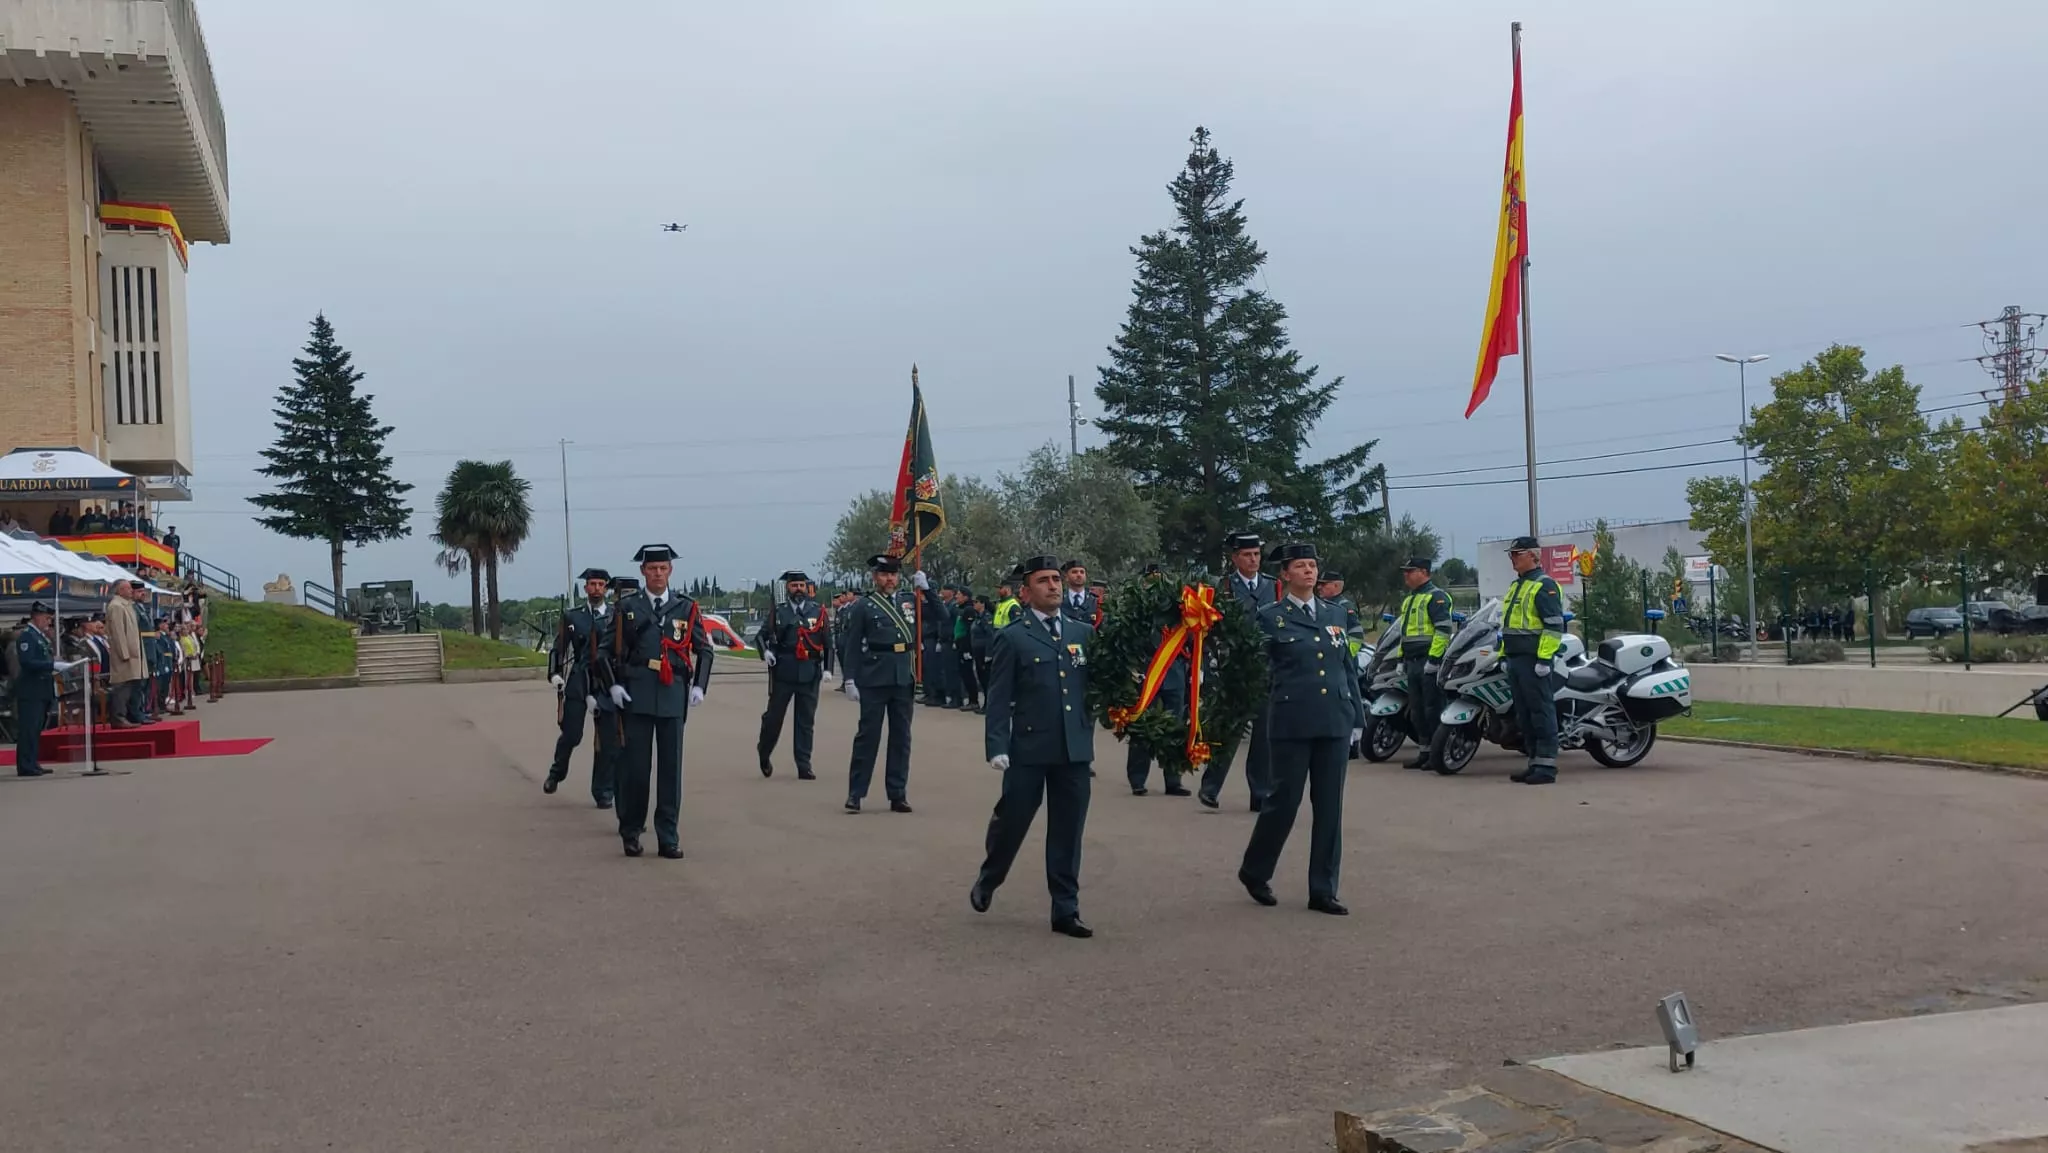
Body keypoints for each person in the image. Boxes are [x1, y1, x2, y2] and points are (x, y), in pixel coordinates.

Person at [972, 554, 1099, 938]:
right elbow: (998, 697)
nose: (1054, 586)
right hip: (1028, 746)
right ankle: (990, 876)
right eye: (1044, 581)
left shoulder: (1082, 633)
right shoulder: (1013, 635)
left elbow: (1093, 688)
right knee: (1013, 821)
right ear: (1026, 592)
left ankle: (1065, 909)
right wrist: (996, 744)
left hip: (1073, 749)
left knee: (1067, 831)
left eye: (1057, 579)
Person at [1237, 542, 1363, 915]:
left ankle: (1323, 889)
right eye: (1301, 566)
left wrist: (1357, 717)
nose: (1309, 571)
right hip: (1292, 720)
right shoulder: (1269, 617)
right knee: (1283, 802)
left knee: (1329, 808)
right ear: (1285, 575)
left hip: (1334, 720)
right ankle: (1255, 870)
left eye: (1312, 565)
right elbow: (1254, 669)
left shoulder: (1336, 614)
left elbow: (1346, 669)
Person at [600, 545, 714, 859]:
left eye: (663, 568)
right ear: (643, 572)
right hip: (636, 694)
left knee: (670, 770)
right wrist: (613, 686)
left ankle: (668, 836)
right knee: (635, 770)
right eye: (652, 569)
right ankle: (631, 831)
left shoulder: (685, 607)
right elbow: (603, 652)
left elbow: (704, 650)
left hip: (673, 694)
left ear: (670, 571)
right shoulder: (627, 608)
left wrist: (700, 686)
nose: (658, 574)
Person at [838, 554, 918, 813]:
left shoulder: (909, 601)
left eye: (893, 574)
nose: (889, 579)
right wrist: (849, 678)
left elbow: (938, 616)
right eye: (884, 575)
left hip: (902, 677)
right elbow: (852, 644)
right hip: (874, 678)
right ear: (875, 577)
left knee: (901, 739)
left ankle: (897, 794)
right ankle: (856, 793)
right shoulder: (864, 606)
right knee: (868, 737)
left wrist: (927, 590)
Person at [1205, 530, 1276, 811]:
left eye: (1257, 554)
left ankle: (1260, 793)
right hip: (1234, 668)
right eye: (1247, 555)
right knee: (1229, 730)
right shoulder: (1223, 587)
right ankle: (1210, 788)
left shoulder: (1274, 586)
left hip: (1266, 668)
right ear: (1235, 558)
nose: (1253, 559)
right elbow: (1210, 626)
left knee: (1263, 736)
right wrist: (1218, 656)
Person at [545, 568, 617, 808]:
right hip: (579, 678)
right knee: (572, 734)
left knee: (607, 740)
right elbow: (559, 647)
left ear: (606, 588)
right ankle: (557, 772)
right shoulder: (573, 616)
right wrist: (554, 673)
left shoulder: (616, 615)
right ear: (585, 588)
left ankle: (603, 791)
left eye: (600, 584)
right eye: (592, 584)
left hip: (606, 679)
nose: (596, 588)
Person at [757, 568, 834, 780]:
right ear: (787, 588)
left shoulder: (817, 611)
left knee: (805, 720)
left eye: (801, 585)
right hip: (784, 671)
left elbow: (828, 643)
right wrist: (766, 652)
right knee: (774, 719)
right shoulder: (778, 612)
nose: (798, 589)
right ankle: (764, 752)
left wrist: (828, 669)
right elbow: (762, 636)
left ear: (807, 588)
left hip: (809, 671)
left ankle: (804, 764)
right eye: (794, 585)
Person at [1500, 536, 1565, 785]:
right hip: (1517, 659)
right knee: (1524, 714)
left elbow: (1553, 627)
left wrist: (1544, 659)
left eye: (1518, 554)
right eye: (1511, 554)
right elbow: (1508, 627)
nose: (1513, 559)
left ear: (1534, 556)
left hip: (1533, 660)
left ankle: (1547, 766)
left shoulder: (1544, 585)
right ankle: (1534, 761)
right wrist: (1504, 655)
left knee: (1541, 711)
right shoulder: (1517, 586)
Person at [1394, 558, 1453, 770]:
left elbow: (1443, 630)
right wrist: (1401, 659)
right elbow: (1404, 633)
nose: (1406, 575)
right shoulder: (1410, 599)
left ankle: (1438, 753)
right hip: (1412, 661)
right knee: (1417, 710)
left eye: (1410, 571)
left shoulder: (1436, 597)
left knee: (1433, 708)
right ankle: (1425, 752)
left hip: (1428, 661)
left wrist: (1434, 659)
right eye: (1405, 571)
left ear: (1424, 572)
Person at [11, 602, 58, 776]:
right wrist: (52, 665)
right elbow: (27, 662)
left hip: (41, 689)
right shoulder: (27, 636)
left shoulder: (39, 636)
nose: (49, 622)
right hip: (31, 690)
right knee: (29, 729)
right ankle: (25, 765)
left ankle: (32, 761)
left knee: (36, 729)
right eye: (46, 618)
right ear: (37, 616)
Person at [105, 580, 145, 729]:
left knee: (129, 686)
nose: (130, 591)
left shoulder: (127, 605)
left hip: (132, 653)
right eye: (128, 588)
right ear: (119, 590)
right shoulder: (116, 606)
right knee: (121, 686)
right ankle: (118, 717)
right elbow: (118, 632)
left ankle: (125, 715)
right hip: (123, 655)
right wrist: (124, 653)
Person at [918, 575, 958, 709]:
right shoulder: (933, 603)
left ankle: (939, 695)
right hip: (930, 638)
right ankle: (930, 693)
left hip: (936, 638)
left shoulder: (938, 605)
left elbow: (944, 620)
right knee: (929, 669)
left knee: (938, 670)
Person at [952, 587, 982, 712]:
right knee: (964, 674)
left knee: (968, 674)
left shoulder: (969, 609)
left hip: (966, 648)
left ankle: (973, 701)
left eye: (958, 594)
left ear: (965, 596)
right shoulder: (961, 609)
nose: (956, 597)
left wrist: (966, 649)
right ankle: (970, 699)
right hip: (960, 646)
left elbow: (970, 631)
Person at [1058, 560, 1098, 625]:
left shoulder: (1095, 601)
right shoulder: (1059, 599)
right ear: (1066, 577)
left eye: (1082, 572)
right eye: (1074, 572)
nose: (1079, 575)